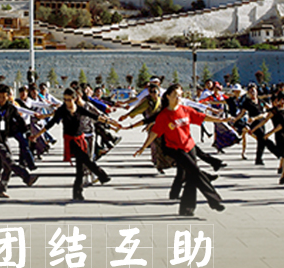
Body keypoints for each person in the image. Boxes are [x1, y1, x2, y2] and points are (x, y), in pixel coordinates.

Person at [134, 83, 226, 216]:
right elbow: (154, 132)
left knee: (191, 177)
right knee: (195, 171)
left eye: (180, 95)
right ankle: (215, 201)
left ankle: (186, 209)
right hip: (175, 149)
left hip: (189, 146)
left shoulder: (185, 110)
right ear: (168, 96)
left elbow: (202, 117)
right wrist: (143, 147)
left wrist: (220, 120)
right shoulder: (164, 115)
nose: (178, 98)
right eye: (175, 95)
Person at [34, 88, 119, 201]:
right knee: (86, 159)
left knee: (80, 169)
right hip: (70, 141)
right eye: (65, 99)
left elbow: (95, 116)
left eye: (69, 99)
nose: (67, 102)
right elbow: (51, 123)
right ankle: (102, 175)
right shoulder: (62, 110)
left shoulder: (79, 109)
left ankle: (77, 193)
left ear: (74, 99)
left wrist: (110, 122)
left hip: (81, 139)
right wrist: (36, 135)